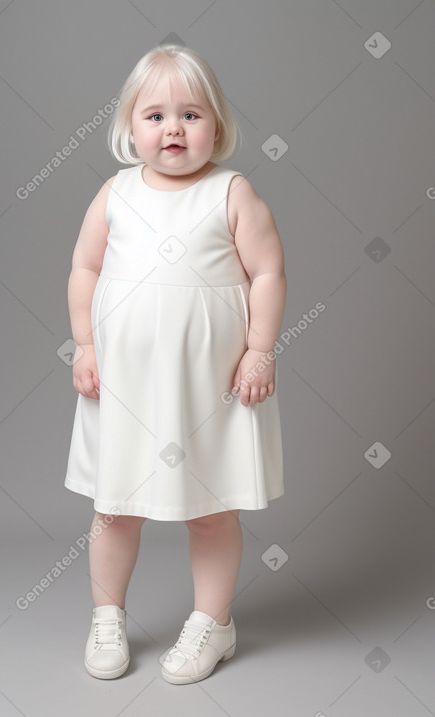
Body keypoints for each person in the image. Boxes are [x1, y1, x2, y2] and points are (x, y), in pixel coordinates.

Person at [64, 43, 287, 685]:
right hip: (125, 383)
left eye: (191, 115)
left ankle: (213, 621)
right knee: (113, 505)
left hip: (209, 385)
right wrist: (84, 343)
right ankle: (108, 614)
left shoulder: (232, 192)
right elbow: (85, 266)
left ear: (216, 123)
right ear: (130, 126)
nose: (173, 129)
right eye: (155, 116)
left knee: (211, 508)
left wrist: (259, 349)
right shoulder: (115, 193)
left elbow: (268, 271)